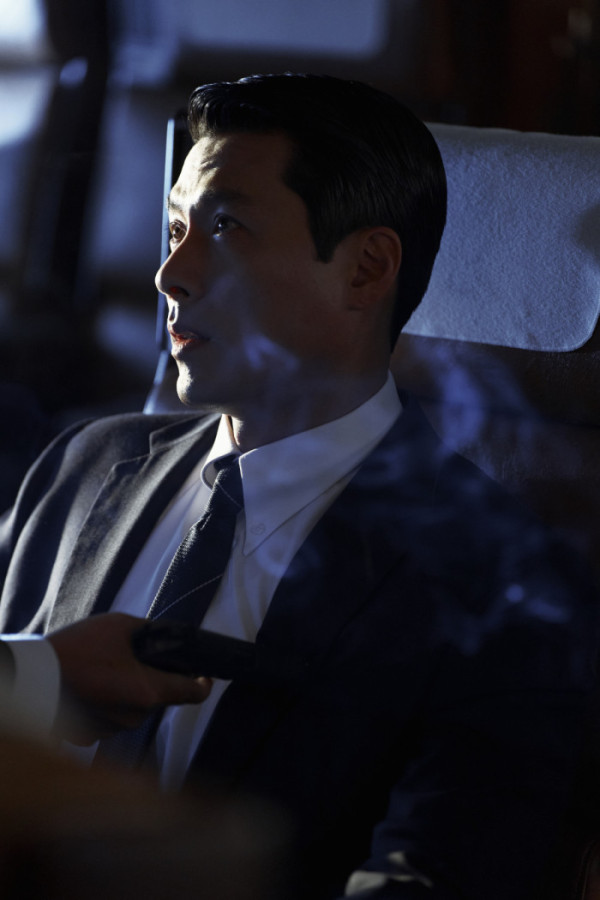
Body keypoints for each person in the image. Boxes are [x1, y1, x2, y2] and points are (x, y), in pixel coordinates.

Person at [0, 73, 596, 899]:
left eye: (225, 227)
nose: (170, 274)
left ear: (365, 270)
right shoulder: (84, 468)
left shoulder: (500, 586)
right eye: (174, 228)